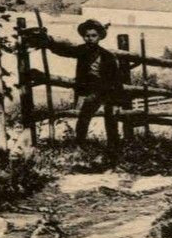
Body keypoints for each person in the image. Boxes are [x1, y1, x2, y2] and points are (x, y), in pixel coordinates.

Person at [40, 19, 123, 166]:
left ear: (99, 37)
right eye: (87, 35)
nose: (89, 38)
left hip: (107, 91)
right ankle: (80, 146)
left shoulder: (107, 56)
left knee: (111, 120)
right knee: (84, 117)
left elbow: (116, 80)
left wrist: (117, 101)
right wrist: (49, 43)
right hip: (93, 91)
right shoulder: (82, 50)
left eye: (93, 35)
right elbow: (65, 51)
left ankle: (113, 151)